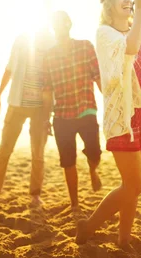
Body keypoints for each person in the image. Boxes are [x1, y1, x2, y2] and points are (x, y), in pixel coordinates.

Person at [76, 0, 141, 248]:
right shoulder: (104, 33)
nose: (128, 0)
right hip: (123, 118)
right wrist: (140, 10)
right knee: (135, 186)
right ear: (108, 5)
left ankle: (123, 239)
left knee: (130, 185)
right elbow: (129, 49)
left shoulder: (136, 30)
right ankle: (90, 226)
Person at [0, 27, 54, 207]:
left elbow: (57, 78)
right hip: (16, 104)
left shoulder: (52, 43)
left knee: (38, 153)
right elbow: (9, 69)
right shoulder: (22, 41)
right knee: (4, 149)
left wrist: (51, 111)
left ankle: (35, 195)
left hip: (40, 109)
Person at [42, 11, 103, 210]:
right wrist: (45, 119)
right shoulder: (48, 56)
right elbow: (47, 90)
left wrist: (111, 103)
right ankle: (74, 203)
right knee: (68, 161)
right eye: (55, 24)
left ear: (69, 24)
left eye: (62, 23)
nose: (59, 27)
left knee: (95, 153)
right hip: (61, 115)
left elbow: (98, 76)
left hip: (86, 110)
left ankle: (93, 170)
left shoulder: (85, 46)